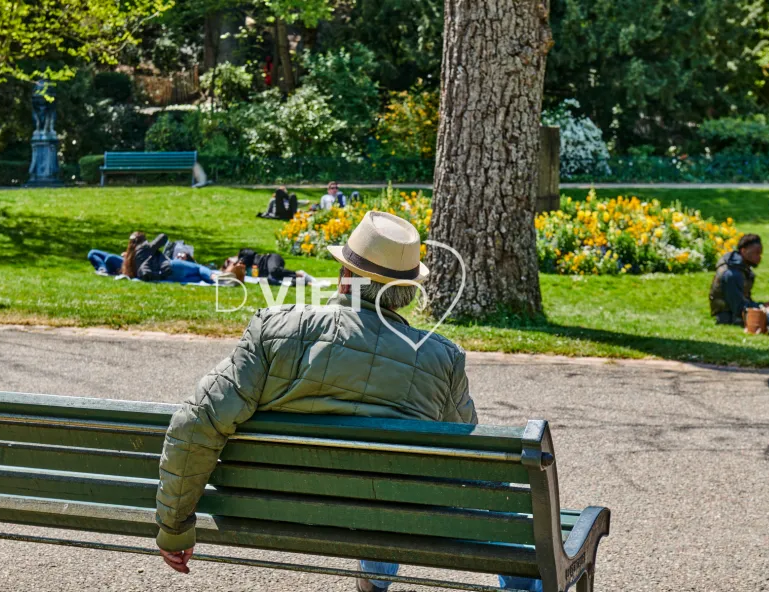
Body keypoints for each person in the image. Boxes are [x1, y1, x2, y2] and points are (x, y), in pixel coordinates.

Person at [155, 212, 539, 591]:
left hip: (278, 507)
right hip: (391, 515)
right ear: (405, 294)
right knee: (474, 495)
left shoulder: (275, 332)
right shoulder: (440, 358)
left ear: (345, 277)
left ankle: (373, 581)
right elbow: (469, 457)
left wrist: (174, 527)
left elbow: (195, 423)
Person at [709, 234, 769, 331]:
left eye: (760, 253)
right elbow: (739, 308)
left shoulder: (741, 269)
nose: (759, 257)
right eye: (756, 253)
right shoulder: (731, 274)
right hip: (730, 318)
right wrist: (765, 307)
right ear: (743, 251)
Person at [228, 248, 316, 286]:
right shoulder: (241, 271)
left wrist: (240, 260)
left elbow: (251, 254)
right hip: (268, 272)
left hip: (270, 258)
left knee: (274, 270)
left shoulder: (243, 253)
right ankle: (303, 281)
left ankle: (299, 274)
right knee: (274, 279)